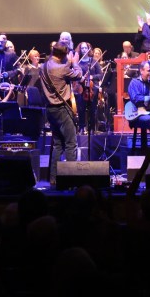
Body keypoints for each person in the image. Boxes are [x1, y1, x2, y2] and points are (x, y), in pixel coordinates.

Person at [36, 40, 82, 188]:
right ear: (63, 55)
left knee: (57, 145)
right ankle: (71, 179)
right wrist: (74, 62)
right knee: (70, 144)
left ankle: (53, 179)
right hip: (62, 109)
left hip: (50, 110)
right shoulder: (63, 68)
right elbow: (79, 75)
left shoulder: (44, 66)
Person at [74, 41, 103, 135]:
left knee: (92, 109)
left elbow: (100, 75)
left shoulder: (93, 61)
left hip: (92, 88)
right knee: (81, 108)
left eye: (85, 48)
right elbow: (73, 74)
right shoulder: (77, 62)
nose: (84, 50)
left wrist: (92, 77)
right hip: (81, 88)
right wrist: (79, 77)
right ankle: (81, 127)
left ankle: (92, 128)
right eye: (82, 48)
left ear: (88, 49)